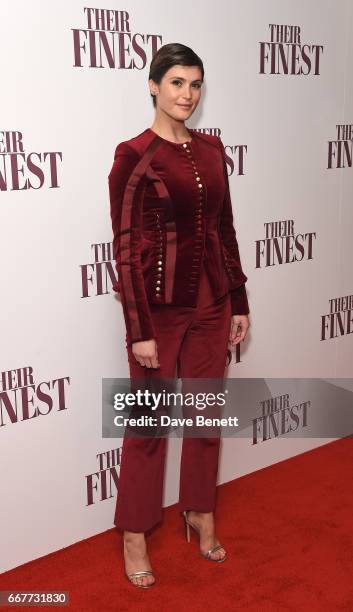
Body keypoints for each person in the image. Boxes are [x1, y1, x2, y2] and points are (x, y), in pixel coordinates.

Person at [108, 42, 250, 588]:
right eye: (176, 83)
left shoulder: (212, 151)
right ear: (153, 86)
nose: (187, 94)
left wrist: (237, 299)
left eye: (195, 85)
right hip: (159, 314)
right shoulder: (132, 155)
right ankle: (134, 531)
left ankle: (199, 511)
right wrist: (140, 331)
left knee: (205, 416)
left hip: (213, 305)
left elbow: (225, 231)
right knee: (147, 426)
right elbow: (125, 249)